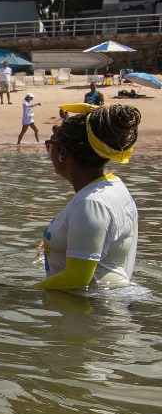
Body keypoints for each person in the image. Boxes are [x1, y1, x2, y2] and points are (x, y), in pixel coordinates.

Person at [39, 103, 140, 290]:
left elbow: (77, 279)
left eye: (50, 145)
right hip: (103, 308)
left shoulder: (91, 202)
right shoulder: (113, 186)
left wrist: (19, 295)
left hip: (94, 312)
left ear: (62, 152)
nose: (49, 151)